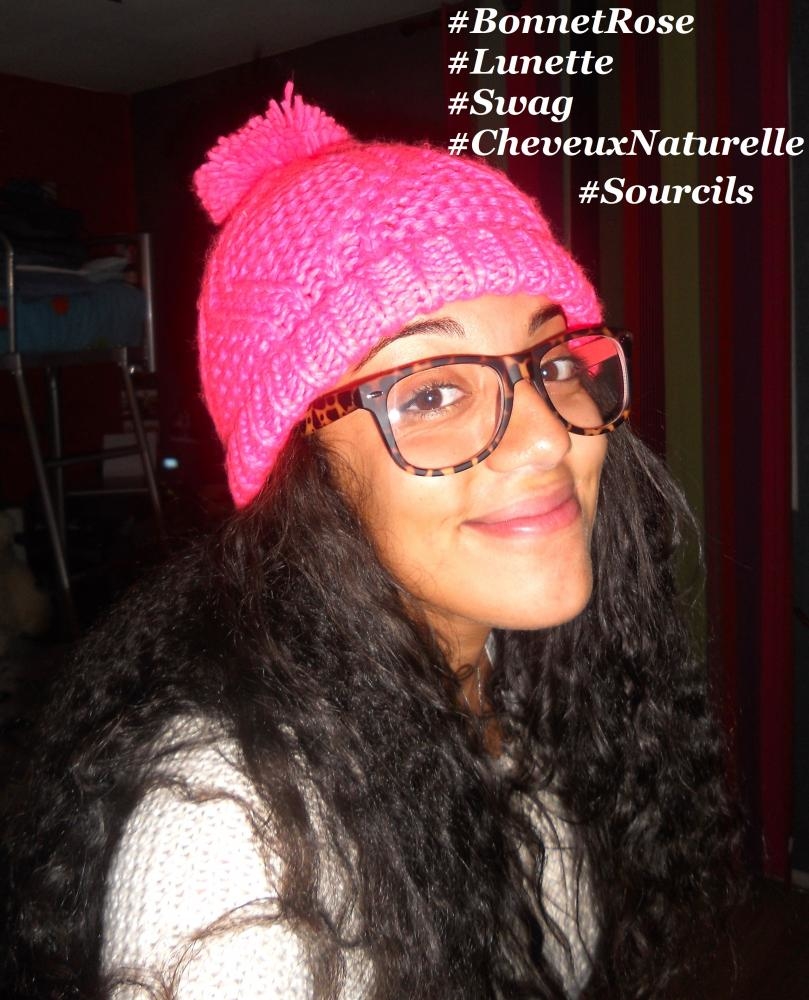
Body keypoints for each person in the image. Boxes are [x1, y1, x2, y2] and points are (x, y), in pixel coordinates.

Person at [6, 84, 740, 1000]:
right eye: (431, 393)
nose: (549, 436)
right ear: (298, 471)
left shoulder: (514, 682)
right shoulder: (234, 846)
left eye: (551, 362)